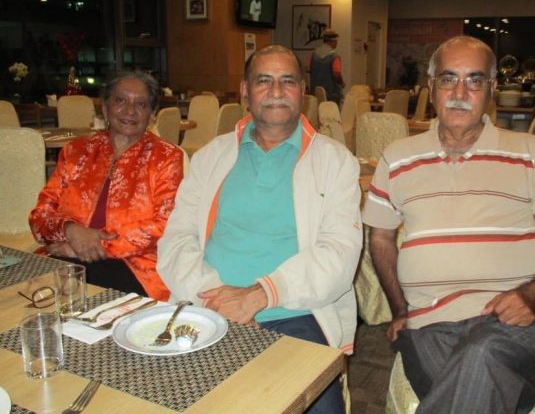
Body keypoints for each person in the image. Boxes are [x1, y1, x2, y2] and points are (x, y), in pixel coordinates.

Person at [362, 36, 535, 414]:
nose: (459, 92)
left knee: (483, 353)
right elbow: (381, 239)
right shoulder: (397, 157)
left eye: (474, 80)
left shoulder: (531, 153)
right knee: (478, 382)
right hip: (428, 324)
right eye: (448, 79)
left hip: (520, 319)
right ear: (432, 86)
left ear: (492, 89)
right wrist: (400, 310)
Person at [157, 45, 362, 413]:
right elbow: (176, 241)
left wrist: (257, 297)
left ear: (303, 90)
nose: (277, 90)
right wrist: (218, 300)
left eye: (288, 81)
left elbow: (339, 256)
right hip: (206, 306)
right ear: (245, 91)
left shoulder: (335, 162)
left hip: (296, 314)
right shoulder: (211, 157)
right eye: (264, 80)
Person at [29, 70, 184, 301]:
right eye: (120, 100)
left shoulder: (166, 157)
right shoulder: (76, 151)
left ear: (152, 114)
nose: (129, 111)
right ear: (105, 107)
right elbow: (40, 216)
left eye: (140, 104)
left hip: (133, 265)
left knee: (75, 302)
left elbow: (163, 225)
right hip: (64, 255)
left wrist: (88, 246)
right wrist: (71, 231)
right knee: (24, 295)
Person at [308, 28, 345, 103]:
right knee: (331, 114)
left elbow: (307, 69)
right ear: (332, 41)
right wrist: (342, 83)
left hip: (315, 94)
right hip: (331, 95)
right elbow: (336, 73)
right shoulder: (334, 56)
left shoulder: (313, 54)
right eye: (336, 41)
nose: (336, 43)